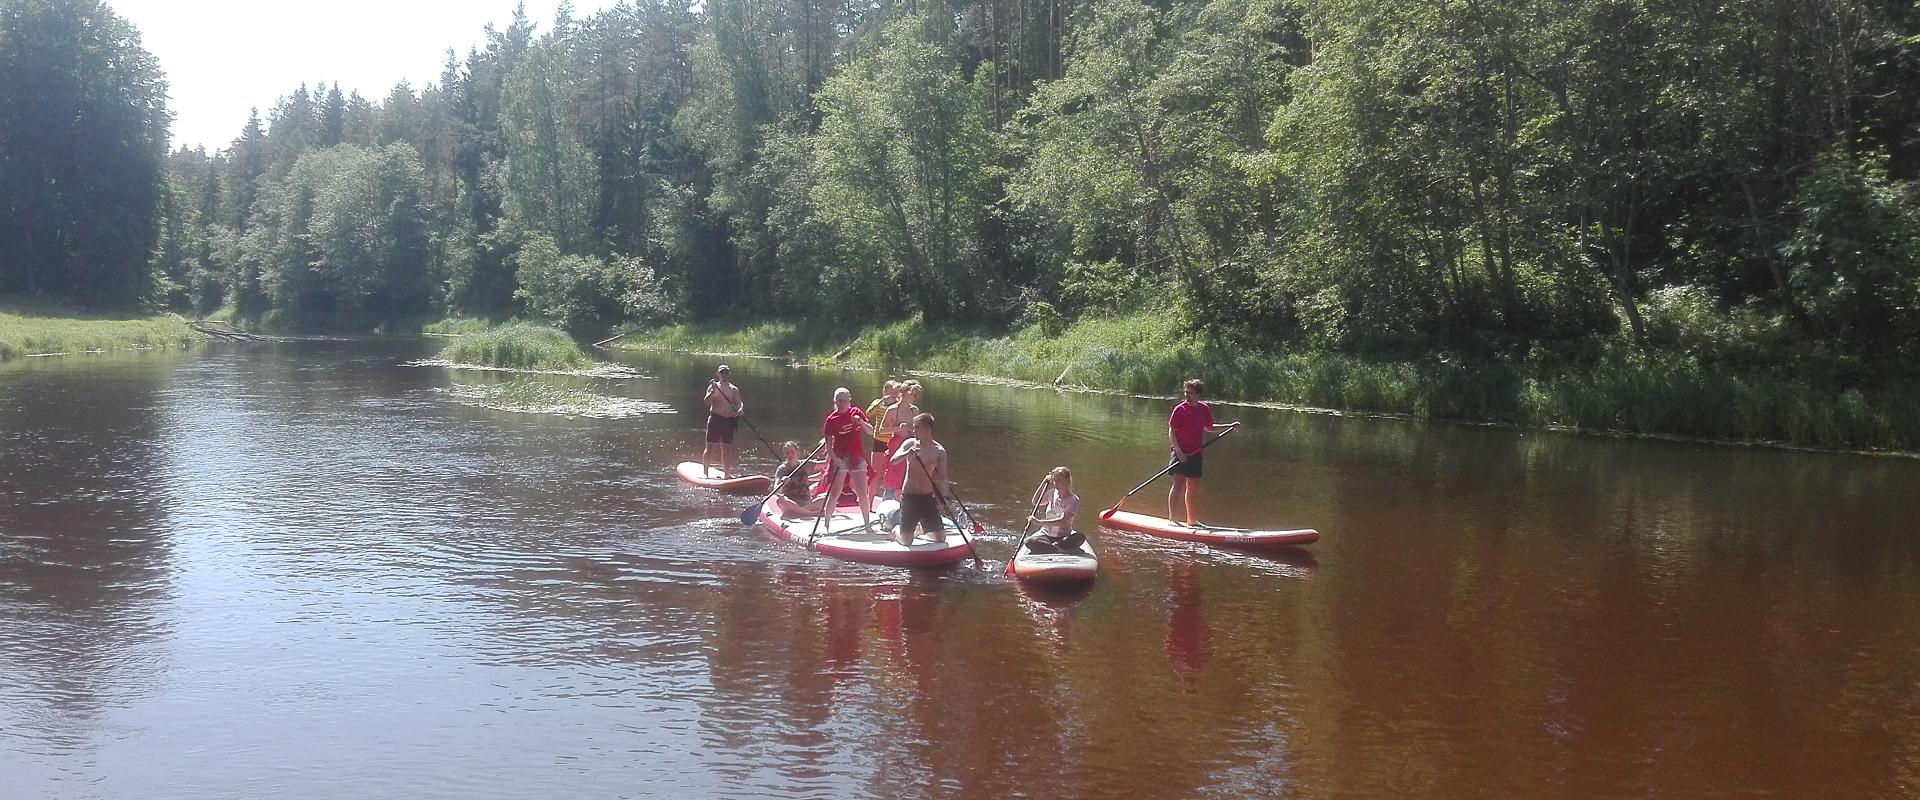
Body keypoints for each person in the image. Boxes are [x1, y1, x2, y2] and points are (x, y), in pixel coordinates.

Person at [1168, 378, 1240, 526]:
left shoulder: (1203, 408)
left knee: (1192, 488)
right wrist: (1179, 452)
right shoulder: (1180, 409)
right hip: (1180, 453)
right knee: (1178, 485)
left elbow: (1210, 427)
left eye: (1190, 393)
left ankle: (1191, 520)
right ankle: (1173, 519)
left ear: (1198, 394)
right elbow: (1172, 432)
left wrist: (1229, 426)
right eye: (1186, 392)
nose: (1187, 395)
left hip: (1196, 453)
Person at [821, 387, 878, 528]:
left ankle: (867, 524)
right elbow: (828, 445)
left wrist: (861, 422)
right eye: (839, 401)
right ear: (835, 402)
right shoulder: (831, 420)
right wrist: (835, 459)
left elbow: (871, 432)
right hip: (841, 457)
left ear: (849, 401)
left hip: (857, 456)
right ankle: (826, 523)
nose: (842, 404)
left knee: (862, 491)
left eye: (844, 401)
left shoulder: (856, 412)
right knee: (835, 491)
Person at [889, 413, 949, 546]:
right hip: (909, 496)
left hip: (927, 497)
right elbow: (893, 461)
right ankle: (896, 531)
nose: (913, 430)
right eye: (913, 427)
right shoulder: (910, 444)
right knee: (906, 541)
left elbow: (943, 478)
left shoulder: (939, 451)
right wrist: (907, 453)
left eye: (917, 427)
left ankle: (920, 529)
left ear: (927, 429)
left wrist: (944, 498)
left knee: (940, 538)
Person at [1023, 466, 1086, 554]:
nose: (1056, 483)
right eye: (1054, 480)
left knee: (1080, 537)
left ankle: (1054, 547)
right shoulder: (1052, 493)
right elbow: (1035, 501)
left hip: (1063, 537)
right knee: (1028, 541)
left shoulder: (1073, 500)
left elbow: (1062, 520)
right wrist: (1044, 482)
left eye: (1059, 480)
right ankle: (1057, 548)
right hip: (1046, 535)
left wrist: (1039, 522)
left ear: (1067, 480)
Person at [703, 365, 743, 477]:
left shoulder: (734, 389)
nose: (724, 375)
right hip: (715, 419)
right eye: (722, 373)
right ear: (718, 374)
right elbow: (706, 402)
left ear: (729, 374)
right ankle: (705, 472)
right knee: (710, 447)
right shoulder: (713, 387)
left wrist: (740, 409)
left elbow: (739, 402)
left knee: (727, 449)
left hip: (728, 421)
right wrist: (713, 392)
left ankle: (727, 474)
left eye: (726, 373)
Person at [866, 381, 901, 498]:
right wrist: (882, 401)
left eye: (895, 393)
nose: (892, 395)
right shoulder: (878, 403)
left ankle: (889, 498)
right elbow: (868, 414)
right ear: (884, 391)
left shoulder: (898, 405)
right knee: (875, 473)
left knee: (892, 473)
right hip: (879, 441)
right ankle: (870, 500)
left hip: (893, 442)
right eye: (890, 392)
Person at [773, 441, 827, 518]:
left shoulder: (805, 463)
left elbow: (826, 463)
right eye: (787, 453)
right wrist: (782, 482)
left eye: (792, 452)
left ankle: (799, 511)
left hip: (806, 502)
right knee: (781, 501)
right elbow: (776, 489)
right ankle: (810, 513)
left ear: (797, 452)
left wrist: (831, 453)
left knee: (826, 497)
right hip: (791, 503)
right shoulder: (782, 469)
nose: (790, 455)